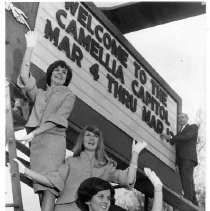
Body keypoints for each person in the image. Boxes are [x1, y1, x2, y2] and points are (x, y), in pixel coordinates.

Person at [14, 124, 147, 211]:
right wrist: (24, 170)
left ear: (99, 142)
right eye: (88, 135)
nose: (91, 138)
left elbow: (128, 180)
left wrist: (135, 154)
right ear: (82, 139)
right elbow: (52, 181)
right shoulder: (70, 162)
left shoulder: (106, 167)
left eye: (95, 136)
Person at [16, 31, 75, 211]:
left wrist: (33, 132)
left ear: (66, 79)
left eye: (63, 72)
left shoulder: (68, 95)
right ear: (50, 74)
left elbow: (56, 120)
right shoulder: (40, 94)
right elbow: (25, 78)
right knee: (41, 189)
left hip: (53, 143)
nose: (59, 73)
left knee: (50, 187)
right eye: (56, 70)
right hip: (37, 146)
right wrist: (30, 47)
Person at [161, 113, 198, 205]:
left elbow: (186, 137)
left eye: (182, 117)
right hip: (182, 160)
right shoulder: (179, 133)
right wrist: (176, 163)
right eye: (179, 118)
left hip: (189, 157)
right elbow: (177, 147)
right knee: (188, 179)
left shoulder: (193, 127)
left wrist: (171, 137)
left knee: (186, 178)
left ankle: (188, 199)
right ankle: (194, 202)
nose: (180, 119)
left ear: (187, 118)